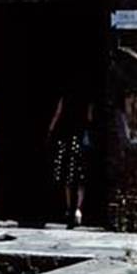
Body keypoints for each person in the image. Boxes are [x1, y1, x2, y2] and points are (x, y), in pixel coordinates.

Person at [46, 87, 95, 229]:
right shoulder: (87, 101)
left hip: (65, 139)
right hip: (79, 140)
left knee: (66, 176)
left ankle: (69, 209)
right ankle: (79, 209)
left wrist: (50, 132)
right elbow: (90, 119)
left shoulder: (64, 98)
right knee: (81, 178)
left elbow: (57, 115)